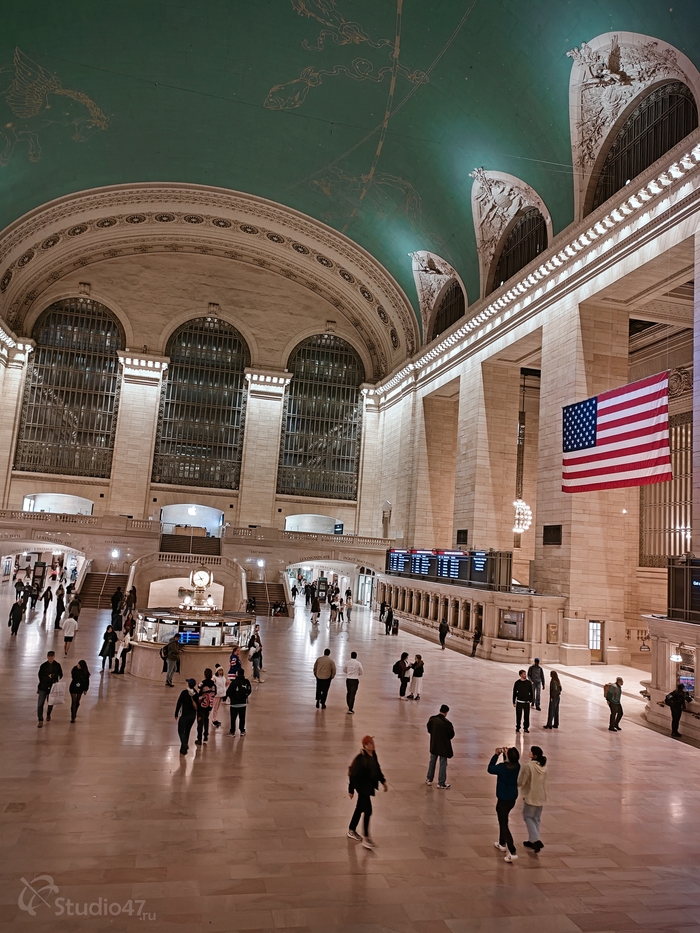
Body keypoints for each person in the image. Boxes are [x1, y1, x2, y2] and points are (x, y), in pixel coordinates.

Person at [347, 735, 387, 849]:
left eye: (373, 742)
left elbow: (377, 769)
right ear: (365, 746)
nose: (373, 745)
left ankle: (351, 830)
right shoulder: (361, 759)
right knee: (368, 810)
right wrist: (351, 790)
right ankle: (366, 838)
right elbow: (353, 774)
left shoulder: (373, 755)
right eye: (370, 743)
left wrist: (383, 781)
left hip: (369, 787)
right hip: (362, 788)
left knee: (359, 808)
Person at [488, 746, 521, 863]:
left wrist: (496, 755)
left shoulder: (502, 768)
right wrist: (505, 754)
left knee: (503, 823)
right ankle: (502, 843)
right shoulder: (517, 766)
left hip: (502, 799)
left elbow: (490, 769)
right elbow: (509, 763)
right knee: (503, 819)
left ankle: (512, 851)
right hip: (512, 798)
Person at [518, 746, 548, 853]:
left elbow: (522, 781)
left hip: (531, 795)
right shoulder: (543, 767)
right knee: (536, 818)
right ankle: (532, 840)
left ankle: (535, 839)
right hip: (540, 796)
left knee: (528, 817)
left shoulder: (528, 766)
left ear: (534, 755)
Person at [425, 704, 454, 788]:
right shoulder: (447, 723)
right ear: (446, 712)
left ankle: (429, 779)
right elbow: (451, 735)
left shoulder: (432, 719)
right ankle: (441, 782)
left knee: (432, 761)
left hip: (434, 744)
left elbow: (429, 729)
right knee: (442, 764)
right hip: (443, 746)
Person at [37, 651, 63, 727]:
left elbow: (60, 675)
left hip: (52, 687)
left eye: (52, 656)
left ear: (54, 656)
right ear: (47, 656)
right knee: (40, 704)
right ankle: (40, 719)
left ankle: (48, 713)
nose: (50, 658)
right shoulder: (43, 665)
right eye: (49, 656)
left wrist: (54, 676)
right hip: (43, 687)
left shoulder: (57, 665)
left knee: (50, 703)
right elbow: (40, 676)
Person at [175, 678, 199, 755]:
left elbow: (179, 703)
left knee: (180, 731)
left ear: (188, 684)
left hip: (184, 715)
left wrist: (176, 713)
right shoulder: (196, 693)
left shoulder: (184, 693)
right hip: (192, 716)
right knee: (187, 731)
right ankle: (183, 749)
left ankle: (184, 744)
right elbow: (198, 705)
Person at [226, 669, 251, 736]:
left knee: (233, 718)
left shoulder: (234, 682)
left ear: (237, 674)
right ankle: (242, 731)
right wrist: (245, 697)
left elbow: (228, 692)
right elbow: (249, 690)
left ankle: (232, 732)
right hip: (243, 703)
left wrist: (232, 698)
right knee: (242, 718)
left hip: (234, 704)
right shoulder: (246, 681)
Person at [195, 668, 216, 745]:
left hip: (202, 705)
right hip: (209, 704)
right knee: (206, 719)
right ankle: (206, 735)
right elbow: (215, 693)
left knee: (200, 721)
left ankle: (199, 738)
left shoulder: (202, 683)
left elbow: (198, 693)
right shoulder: (213, 684)